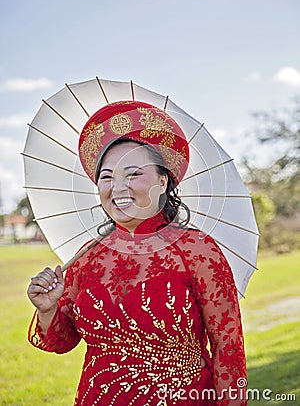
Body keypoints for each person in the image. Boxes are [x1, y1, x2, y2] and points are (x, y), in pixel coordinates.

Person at [27, 101, 247, 405]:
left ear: (162, 180)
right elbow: (62, 341)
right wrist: (48, 308)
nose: (118, 187)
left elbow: (228, 348)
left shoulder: (197, 251)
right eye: (107, 177)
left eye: (133, 174)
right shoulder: (87, 257)